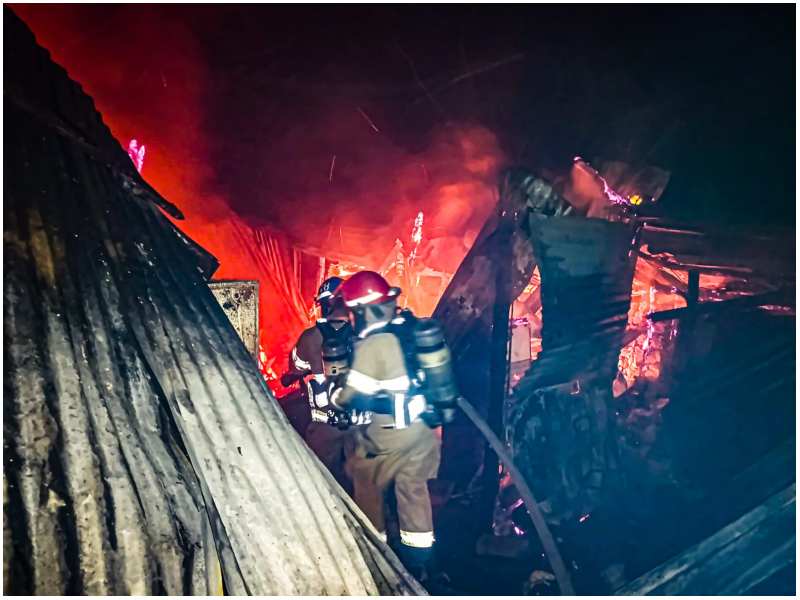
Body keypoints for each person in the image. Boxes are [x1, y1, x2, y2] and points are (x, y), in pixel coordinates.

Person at [330, 270, 456, 582]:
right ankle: (421, 562)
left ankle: (377, 553)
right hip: (422, 432)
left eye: (354, 312)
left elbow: (351, 395)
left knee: (365, 479)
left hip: (388, 436)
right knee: (412, 490)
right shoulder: (409, 328)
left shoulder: (375, 345)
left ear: (364, 310)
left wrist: (334, 396)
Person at [281, 277, 354, 492]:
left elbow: (295, 367)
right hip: (360, 428)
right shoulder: (363, 335)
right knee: (365, 488)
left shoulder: (309, 337)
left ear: (324, 305)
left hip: (324, 429)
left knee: (322, 487)